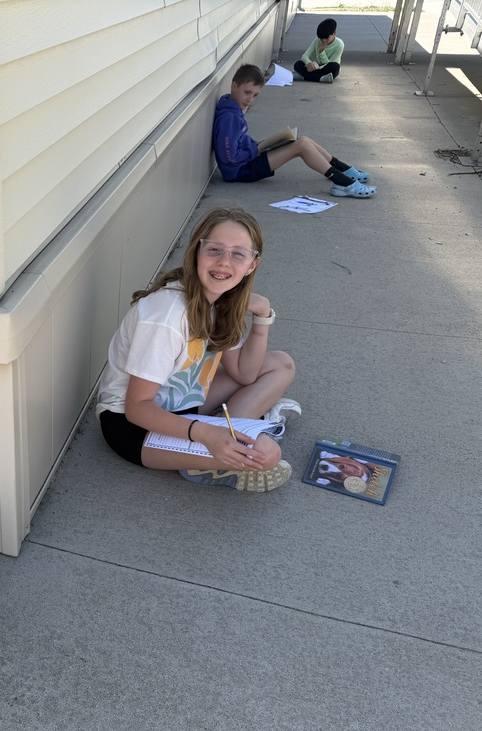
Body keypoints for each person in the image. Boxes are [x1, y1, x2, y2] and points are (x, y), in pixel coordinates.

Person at [96, 207, 298, 492]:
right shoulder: (167, 316)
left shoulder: (221, 300)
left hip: (182, 405)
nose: (224, 262)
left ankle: (229, 434)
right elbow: (137, 409)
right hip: (133, 427)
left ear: (252, 265)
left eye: (238, 254)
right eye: (214, 249)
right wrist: (204, 433)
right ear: (196, 252)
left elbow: (244, 374)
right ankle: (233, 438)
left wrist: (263, 315)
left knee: (281, 365)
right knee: (266, 457)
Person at [212, 63, 377, 198]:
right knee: (301, 146)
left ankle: (343, 170)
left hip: (247, 160)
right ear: (234, 86)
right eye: (247, 92)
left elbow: (237, 143)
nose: (250, 99)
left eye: (255, 95)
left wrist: (259, 145)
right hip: (240, 171)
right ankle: (344, 183)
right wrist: (255, 149)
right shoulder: (229, 118)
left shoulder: (231, 108)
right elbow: (230, 157)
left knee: (304, 140)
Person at [294, 19, 344, 83]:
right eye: (321, 38)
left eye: (326, 38)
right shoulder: (317, 41)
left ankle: (304, 76)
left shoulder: (339, 44)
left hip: (325, 68)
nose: (324, 41)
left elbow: (330, 63)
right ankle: (321, 78)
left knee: (335, 67)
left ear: (334, 33)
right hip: (313, 67)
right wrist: (308, 63)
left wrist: (321, 52)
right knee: (298, 64)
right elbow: (305, 56)